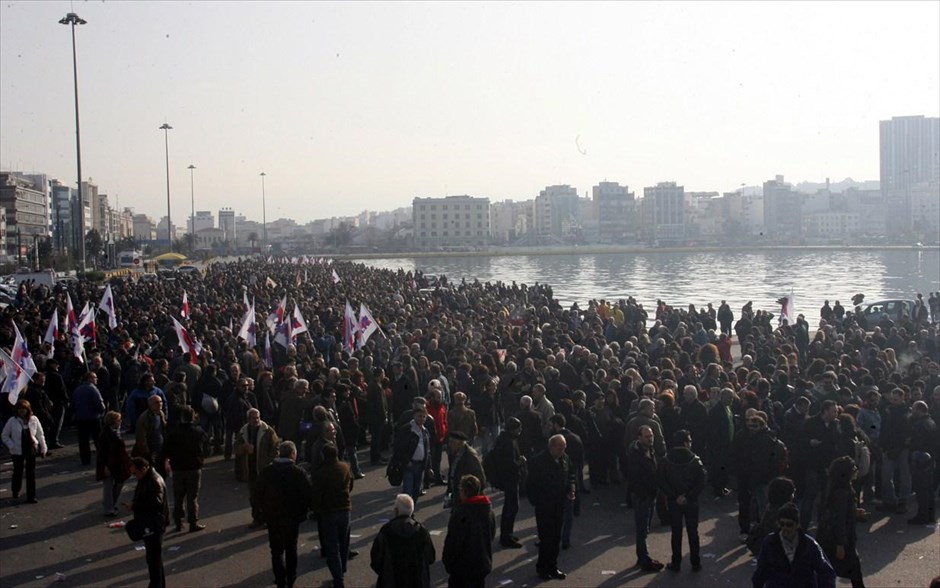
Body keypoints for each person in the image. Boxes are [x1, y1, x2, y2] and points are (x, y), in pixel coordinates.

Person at [253, 441, 313, 588]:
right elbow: (308, 494)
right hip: (293, 518)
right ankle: (291, 579)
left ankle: (280, 580)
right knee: (291, 549)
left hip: (273, 517)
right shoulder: (298, 472)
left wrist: (261, 513)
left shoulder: (267, 471)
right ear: (293, 454)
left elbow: (257, 494)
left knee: (276, 550)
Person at [525, 433, 575, 581]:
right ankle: (542, 567)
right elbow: (530, 485)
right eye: (560, 448)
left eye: (564, 448)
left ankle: (553, 566)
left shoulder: (564, 459)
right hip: (544, 506)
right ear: (551, 447)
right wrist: (537, 501)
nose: (562, 451)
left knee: (556, 538)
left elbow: (571, 474)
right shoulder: (538, 461)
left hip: (559, 504)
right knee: (546, 538)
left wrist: (571, 489)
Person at [752, 502, 836, 588]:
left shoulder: (809, 544)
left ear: (797, 525)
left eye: (789, 524)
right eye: (781, 524)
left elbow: (826, 572)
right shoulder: (769, 543)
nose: (785, 528)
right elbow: (761, 572)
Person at [658, 429, 705, 572]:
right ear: (685, 442)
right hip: (691, 502)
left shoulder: (666, 460)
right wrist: (689, 496)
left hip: (674, 501)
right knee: (693, 532)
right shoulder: (695, 460)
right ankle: (695, 562)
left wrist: (673, 496)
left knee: (676, 532)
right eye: (689, 440)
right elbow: (701, 481)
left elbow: (661, 480)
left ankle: (676, 562)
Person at [817, 456, 865, 588]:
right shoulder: (843, 492)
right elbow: (840, 519)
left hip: (831, 538)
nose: (856, 471)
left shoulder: (834, 488)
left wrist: (854, 512)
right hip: (839, 540)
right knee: (853, 572)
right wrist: (840, 544)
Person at [370, 493, 436, 588]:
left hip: (391, 582)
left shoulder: (386, 531)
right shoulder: (422, 532)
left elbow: (376, 560)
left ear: (396, 511)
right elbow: (431, 557)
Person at [310, 443, 354, 588]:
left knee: (332, 547)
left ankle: (338, 578)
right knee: (344, 542)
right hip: (345, 508)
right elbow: (351, 484)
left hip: (328, 511)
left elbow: (316, 493)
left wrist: (315, 509)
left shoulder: (320, 472)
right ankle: (342, 569)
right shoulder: (345, 467)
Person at [442, 474, 496, 588]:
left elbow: (453, 542)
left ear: (464, 491)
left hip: (462, 568)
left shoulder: (461, 513)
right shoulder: (488, 511)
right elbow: (491, 534)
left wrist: (448, 562)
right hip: (482, 564)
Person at [162, 405, 208, 533]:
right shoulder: (198, 432)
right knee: (192, 498)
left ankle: (178, 523)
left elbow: (166, 449)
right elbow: (205, 446)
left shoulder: (174, 432)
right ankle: (193, 522)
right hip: (194, 467)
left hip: (178, 468)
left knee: (178, 497)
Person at [127, 456, 170, 588]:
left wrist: (135, 506)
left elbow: (155, 503)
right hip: (151, 522)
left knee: (154, 559)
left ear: (144, 468)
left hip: (154, 524)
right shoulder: (147, 478)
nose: (135, 476)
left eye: (135, 473)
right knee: (153, 558)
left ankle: (156, 585)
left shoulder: (153, 480)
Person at [626, 425, 665, 572]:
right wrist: (644, 494)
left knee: (645, 528)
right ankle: (644, 558)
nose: (650, 439)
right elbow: (635, 478)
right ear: (639, 437)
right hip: (643, 496)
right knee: (642, 529)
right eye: (647, 436)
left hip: (650, 494)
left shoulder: (649, 450)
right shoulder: (635, 454)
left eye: (651, 436)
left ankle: (642, 557)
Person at [235, 408, 280, 527]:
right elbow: (237, 448)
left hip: (264, 469)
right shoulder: (243, 432)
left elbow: (276, 448)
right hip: (250, 469)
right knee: (254, 496)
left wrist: (268, 462)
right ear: (248, 419)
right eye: (253, 418)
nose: (256, 420)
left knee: (266, 496)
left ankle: (266, 518)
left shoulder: (268, 431)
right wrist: (245, 447)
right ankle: (257, 519)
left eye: (257, 418)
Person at [489, 416, 526, 548]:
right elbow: (510, 464)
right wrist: (520, 462)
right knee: (512, 507)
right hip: (510, 478)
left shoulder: (503, 439)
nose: (520, 430)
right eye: (518, 428)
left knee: (510, 507)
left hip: (506, 478)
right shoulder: (509, 442)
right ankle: (506, 536)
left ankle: (507, 533)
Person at [1, 399, 47, 503]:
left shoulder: (34, 419)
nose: (22, 411)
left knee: (31, 473)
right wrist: (11, 445)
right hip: (17, 450)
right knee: (18, 471)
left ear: (28, 409)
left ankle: (31, 496)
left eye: (24, 409)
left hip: (31, 448)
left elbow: (40, 434)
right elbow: (4, 435)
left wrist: (43, 447)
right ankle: (15, 489)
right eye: (20, 409)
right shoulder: (12, 421)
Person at [392, 405, 432, 505]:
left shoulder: (425, 431)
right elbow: (399, 447)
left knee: (416, 491)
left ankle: (411, 509)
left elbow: (427, 450)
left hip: (420, 465)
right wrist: (406, 461)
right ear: (414, 416)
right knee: (407, 491)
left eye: (424, 417)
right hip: (410, 465)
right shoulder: (407, 430)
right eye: (419, 416)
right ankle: (405, 512)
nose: (422, 419)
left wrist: (429, 466)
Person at [907, 400, 939, 524]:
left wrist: (910, 443)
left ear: (919, 410)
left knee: (921, 490)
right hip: (930, 460)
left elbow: (917, 443)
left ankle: (922, 515)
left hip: (920, 461)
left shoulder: (919, 425)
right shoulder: (931, 422)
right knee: (929, 490)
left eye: (914, 409)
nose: (912, 412)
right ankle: (929, 515)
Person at [96, 410, 132, 517]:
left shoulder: (115, 431)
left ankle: (111, 504)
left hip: (117, 463)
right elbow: (102, 452)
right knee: (109, 486)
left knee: (118, 483)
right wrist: (105, 466)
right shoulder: (106, 435)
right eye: (118, 420)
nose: (120, 421)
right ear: (113, 421)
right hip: (109, 464)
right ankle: (109, 508)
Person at [72, 370, 106, 466]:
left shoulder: (77, 390)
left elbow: (73, 404)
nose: (96, 379)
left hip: (81, 419)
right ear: (90, 378)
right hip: (94, 418)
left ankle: (85, 460)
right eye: (95, 377)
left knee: (83, 442)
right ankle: (102, 459)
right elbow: (100, 404)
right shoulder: (93, 389)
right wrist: (102, 413)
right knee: (98, 440)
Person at [446, 431, 485, 506]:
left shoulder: (470, 456)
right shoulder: (453, 453)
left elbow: (480, 478)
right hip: (457, 492)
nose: (450, 444)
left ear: (460, 443)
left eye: (452, 442)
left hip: (466, 496)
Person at [133, 395, 168, 479]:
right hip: (150, 451)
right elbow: (141, 437)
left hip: (160, 449)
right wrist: (146, 453)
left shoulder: (160, 413)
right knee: (151, 475)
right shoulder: (144, 418)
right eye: (157, 402)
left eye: (161, 402)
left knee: (162, 473)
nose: (160, 404)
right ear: (150, 404)